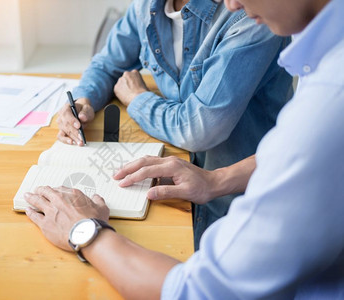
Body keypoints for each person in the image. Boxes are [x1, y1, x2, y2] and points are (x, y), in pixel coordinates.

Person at [26, 0, 344, 298]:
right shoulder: (323, 62)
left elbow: (198, 290)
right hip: (205, 190)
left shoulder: (327, 101)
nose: (232, 2)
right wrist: (217, 179)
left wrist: (85, 231)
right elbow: (290, 151)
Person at [57, 0, 293, 249]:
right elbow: (107, 64)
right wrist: (84, 100)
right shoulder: (146, 5)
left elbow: (198, 129)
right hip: (176, 177)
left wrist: (137, 99)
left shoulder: (249, 15)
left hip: (234, 206)